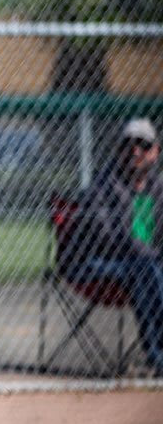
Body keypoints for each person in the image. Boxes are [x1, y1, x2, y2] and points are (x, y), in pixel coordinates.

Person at [64, 118, 163, 376]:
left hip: (142, 264)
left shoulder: (158, 188)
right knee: (146, 269)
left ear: (156, 151)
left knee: (148, 268)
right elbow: (108, 238)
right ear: (118, 150)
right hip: (91, 264)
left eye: (143, 144)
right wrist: (151, 256)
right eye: (128, 144)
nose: (135, 150)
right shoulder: (103, 186)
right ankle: (157, 355)